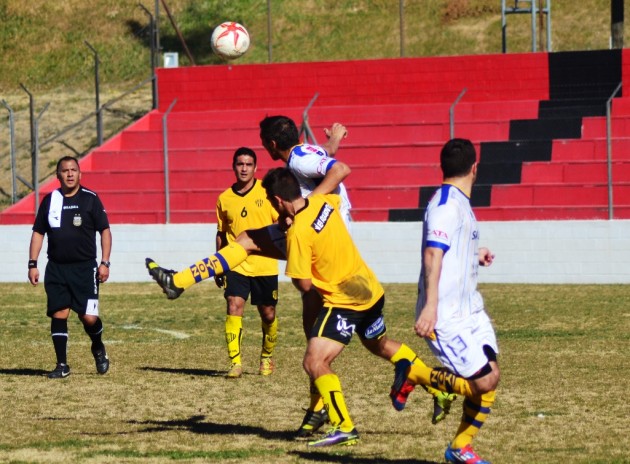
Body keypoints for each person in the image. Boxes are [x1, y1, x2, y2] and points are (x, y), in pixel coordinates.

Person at [259, 167, 431, 447]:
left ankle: (344, 426)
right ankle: (438, 385)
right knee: (379, 345)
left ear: (278, 200)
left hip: (345, 301)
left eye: (270, 199)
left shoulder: (298, 234)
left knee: (315, 361)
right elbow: (333, 194)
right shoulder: (323, 202)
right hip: (370, 290)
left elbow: (303, 285)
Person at [389, 138, 500, 464]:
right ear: (475, 167)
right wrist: (431, 307)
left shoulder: (460, 202)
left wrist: (473, 254)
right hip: (447, 315)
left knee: (490, 377)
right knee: (482, 381)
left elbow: (449, 248)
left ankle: (460, 448)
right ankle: (416, 374)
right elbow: (432, 254)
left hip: (471, 310)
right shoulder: (445, 206)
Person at [28, 156, 112, 379]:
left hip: (85, 270)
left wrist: (105, 262)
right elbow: (38, 232)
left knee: (89, 318)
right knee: (59, 313)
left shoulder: (91, 199)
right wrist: (33, 264)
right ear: (58, 176)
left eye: (73, 169)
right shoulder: (50, 200)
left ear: (80, 174)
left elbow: (105, 230)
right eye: (65, 170)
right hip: (56, 269)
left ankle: (98, 347)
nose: (70, 173)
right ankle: (62, 365)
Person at [215, 147, 280, 378]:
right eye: (240, 164)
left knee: (268, 314)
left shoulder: (266, 192)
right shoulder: (224, 199)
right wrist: (218, 263)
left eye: (248, 164)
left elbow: (281, 223)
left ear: (255, 167)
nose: (244, 168)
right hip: (236, 263)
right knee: (234, 305)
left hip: (265, 263)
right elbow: (221, 234)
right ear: (234, 166)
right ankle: (235, 363)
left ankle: (266, 357)